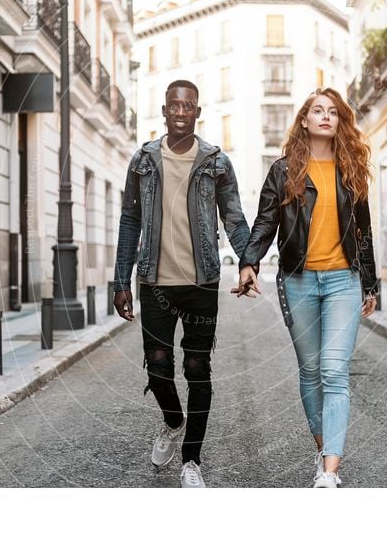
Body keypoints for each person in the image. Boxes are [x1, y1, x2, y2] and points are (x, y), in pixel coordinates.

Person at [234, 87, 378, 488]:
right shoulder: (283, 171)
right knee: (311, 371)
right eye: (318, 111)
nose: (326, 117)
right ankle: (323, 449)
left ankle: (330, 472)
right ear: (304, 120)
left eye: (333, 111)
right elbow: (264, 222)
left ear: (340, 121)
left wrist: (370, 282)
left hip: (342, 282)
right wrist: (249, 263)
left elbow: (363, 232)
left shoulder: (351, 170)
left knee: (334, 370)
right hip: (298, 280)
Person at [113, 80, 250, 488]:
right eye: (175, 104)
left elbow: (234, 218)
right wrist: (121, 279)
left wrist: (248, 261)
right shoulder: (142, 161)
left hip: (201, 282)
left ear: (197, 112)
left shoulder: (216, 162)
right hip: (154, 280)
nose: (181, 111)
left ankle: (192, 460)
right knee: (158, 370)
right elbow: (129, 220)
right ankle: (174, 422)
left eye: (188, 105)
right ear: (164, 110)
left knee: (197, 367)